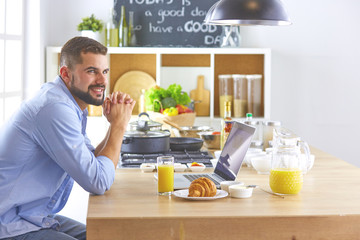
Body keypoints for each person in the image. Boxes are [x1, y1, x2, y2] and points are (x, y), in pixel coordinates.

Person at [0, 36, 135, 240]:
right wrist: (119, 125)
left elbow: (91, 160)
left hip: (35, 217)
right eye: (92, 71)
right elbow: (98, 181)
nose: (102, 80)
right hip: (10, 225)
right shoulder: (55, 109)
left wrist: (113, 126)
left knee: (108, 235)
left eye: (104, 71)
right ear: (65, 73)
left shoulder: (70, 105)